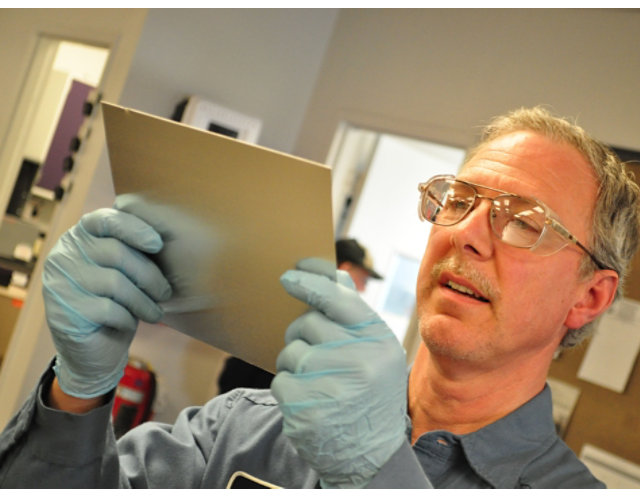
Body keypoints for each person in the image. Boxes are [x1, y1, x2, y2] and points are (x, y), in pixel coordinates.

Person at [1, 107, 638, 488]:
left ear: (589, 297)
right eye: (459, 200)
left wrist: (377, 477)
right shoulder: (246, 425)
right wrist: (78, 393)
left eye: (524, 220)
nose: (466, 233)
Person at [217, 238, 382, 395]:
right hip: (259, 384)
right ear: (345, 269)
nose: (362, 289)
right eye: (364, 280)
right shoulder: (320, 304)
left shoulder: (297, 286)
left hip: (248, 379)